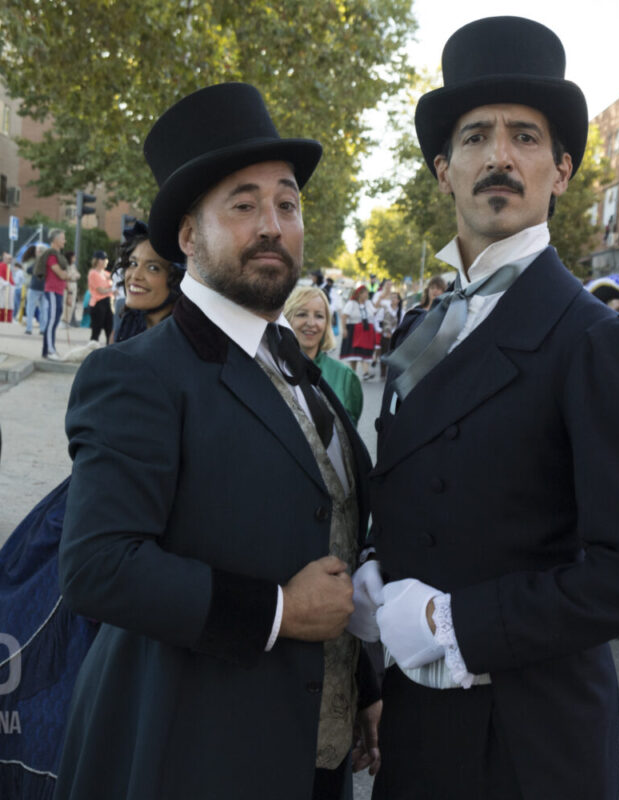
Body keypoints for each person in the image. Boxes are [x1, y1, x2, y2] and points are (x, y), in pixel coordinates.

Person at [351, 18, 619, 800]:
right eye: (474, 138)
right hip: (417, 725)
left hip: (529, 747)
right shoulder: (422, 329)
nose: (499, 156)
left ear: (561, 171)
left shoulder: (600, 343)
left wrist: (452, 626)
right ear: (443, 171)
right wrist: (376, 575)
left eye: (525, 138)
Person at [54, 82, 380, 800]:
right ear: (187, 236)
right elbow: (97, 568)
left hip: (312, 756)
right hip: (190, 754)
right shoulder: (137, 373)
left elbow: (326, 524)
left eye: (287, 204)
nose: (272, 224)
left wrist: (360, 683)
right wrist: (279, 612)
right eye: (243, 204)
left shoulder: (299, 365)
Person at [0, 225, 187, 800]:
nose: (136, 274)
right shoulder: (125, 337)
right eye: (134, 264)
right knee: (5, 618)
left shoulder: (183, 350)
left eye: (153, 268)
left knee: (90, 676)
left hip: (144, 523)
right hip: (81, 505)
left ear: (178, 281)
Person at [286, 285, 363, 424]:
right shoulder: (270, 370)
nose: (311, 323)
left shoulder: (345, 377)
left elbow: (350, 435)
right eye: (302, 314)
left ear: (327, 323)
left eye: (319, 316)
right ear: (287, 319)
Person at [37, 230, 70, 359]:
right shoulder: (51, 255)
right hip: (52, 291)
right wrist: (70, 275)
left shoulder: (58, 255)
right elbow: (61, 274)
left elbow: (64, 275)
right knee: (51, 321)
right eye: (63, 238)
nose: (64, 241)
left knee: (54, 321)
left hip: (59, 291)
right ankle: (50, 351)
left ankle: (47, 350)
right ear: (55, 240)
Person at [340, 284, 377, 379]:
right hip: (354, 329)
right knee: (354, 353)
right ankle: (353, 373)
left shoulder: (368, 303)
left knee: (366, 351)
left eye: (367, 293)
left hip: (366, 330)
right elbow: (344, 316)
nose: (367, 295)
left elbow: (374, 313)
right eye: (365, 293)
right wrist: (344, 329)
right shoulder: (352, 303)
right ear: (359, 294)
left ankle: (365, 372)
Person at [87, 250, 114, 344]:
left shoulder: (106, 273)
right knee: (96, 329)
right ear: (97, 260)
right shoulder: (93, 273)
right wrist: (112, 290)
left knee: (109, 329)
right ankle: (92, 350)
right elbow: (100, 290)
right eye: (103, 259)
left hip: (108, 302)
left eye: (106, 259)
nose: (105, 261)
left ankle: (109, 350)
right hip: (98, 303)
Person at [25, 244, 46, 336]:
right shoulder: (48, 262)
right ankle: (43, 329)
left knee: (30, 308)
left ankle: (29, 328)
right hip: (45, 288)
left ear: (39, 252)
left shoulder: (37, 261)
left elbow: (28, 270)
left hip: (34, 287)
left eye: (37, 250)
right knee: (44, 309)